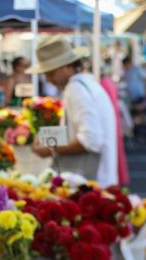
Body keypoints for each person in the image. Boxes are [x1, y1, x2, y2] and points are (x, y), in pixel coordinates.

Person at [29, 36, 118, 187]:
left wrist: (50, 149)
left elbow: (90, 141)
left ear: (68, 67)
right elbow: (82, 131)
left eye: (50, 73)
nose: (48, 80)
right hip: (99, 178)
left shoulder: (77, 89)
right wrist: (47, 138)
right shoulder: (86, 84)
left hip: (92, 181)